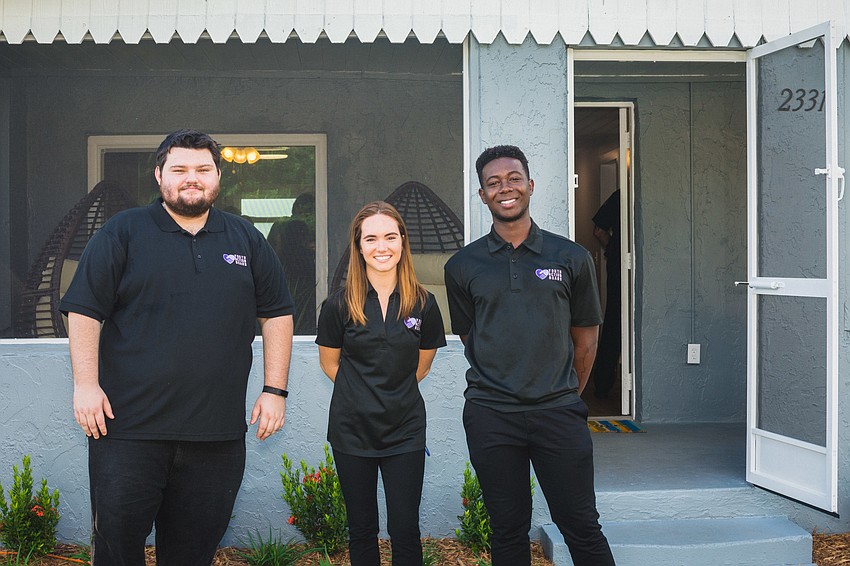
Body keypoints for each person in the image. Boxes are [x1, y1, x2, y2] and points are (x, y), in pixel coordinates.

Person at [59, 129, 295, 565]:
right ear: (159, 175)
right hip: (127, 432)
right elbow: (84, 310)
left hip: (216, 436)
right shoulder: (123, 232)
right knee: (116, 548)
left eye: (203, 169)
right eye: (180, 169)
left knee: (192, 554)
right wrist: (85, 385)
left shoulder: (244, 239)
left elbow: (277, 312)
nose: (192, 178)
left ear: (218, 177)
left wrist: (274, 389)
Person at [444, 145, 615, 566]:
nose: (506, 188)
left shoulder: (571, 257)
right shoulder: (463, 265)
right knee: (507, 530)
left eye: (514, 178)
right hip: (491, 414)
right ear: (483, 195)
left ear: (530, 185)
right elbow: (472, 338)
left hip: (557, 411)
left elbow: (586, 341)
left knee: (581, 525)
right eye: (494, 182)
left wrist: (563, 392)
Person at [316, 201, 446, 565]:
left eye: (390, 236)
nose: (381, 247)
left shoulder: (424, 303)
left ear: (403, 242)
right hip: (351, 430)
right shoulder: (339, 304)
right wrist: (363, 393)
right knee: (361, 529)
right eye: (370, 238)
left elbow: (421, 366)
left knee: (405, 530)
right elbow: (330, 363)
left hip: (404, 430)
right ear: (359, 246)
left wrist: (391, 392)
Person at [591, 190, 622, 399]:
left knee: (614, 319)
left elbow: (598, 231)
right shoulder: (626, 196)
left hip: (618, 265)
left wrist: (613, 248)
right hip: (621, 265)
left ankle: (603, 383)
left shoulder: (619, 196)